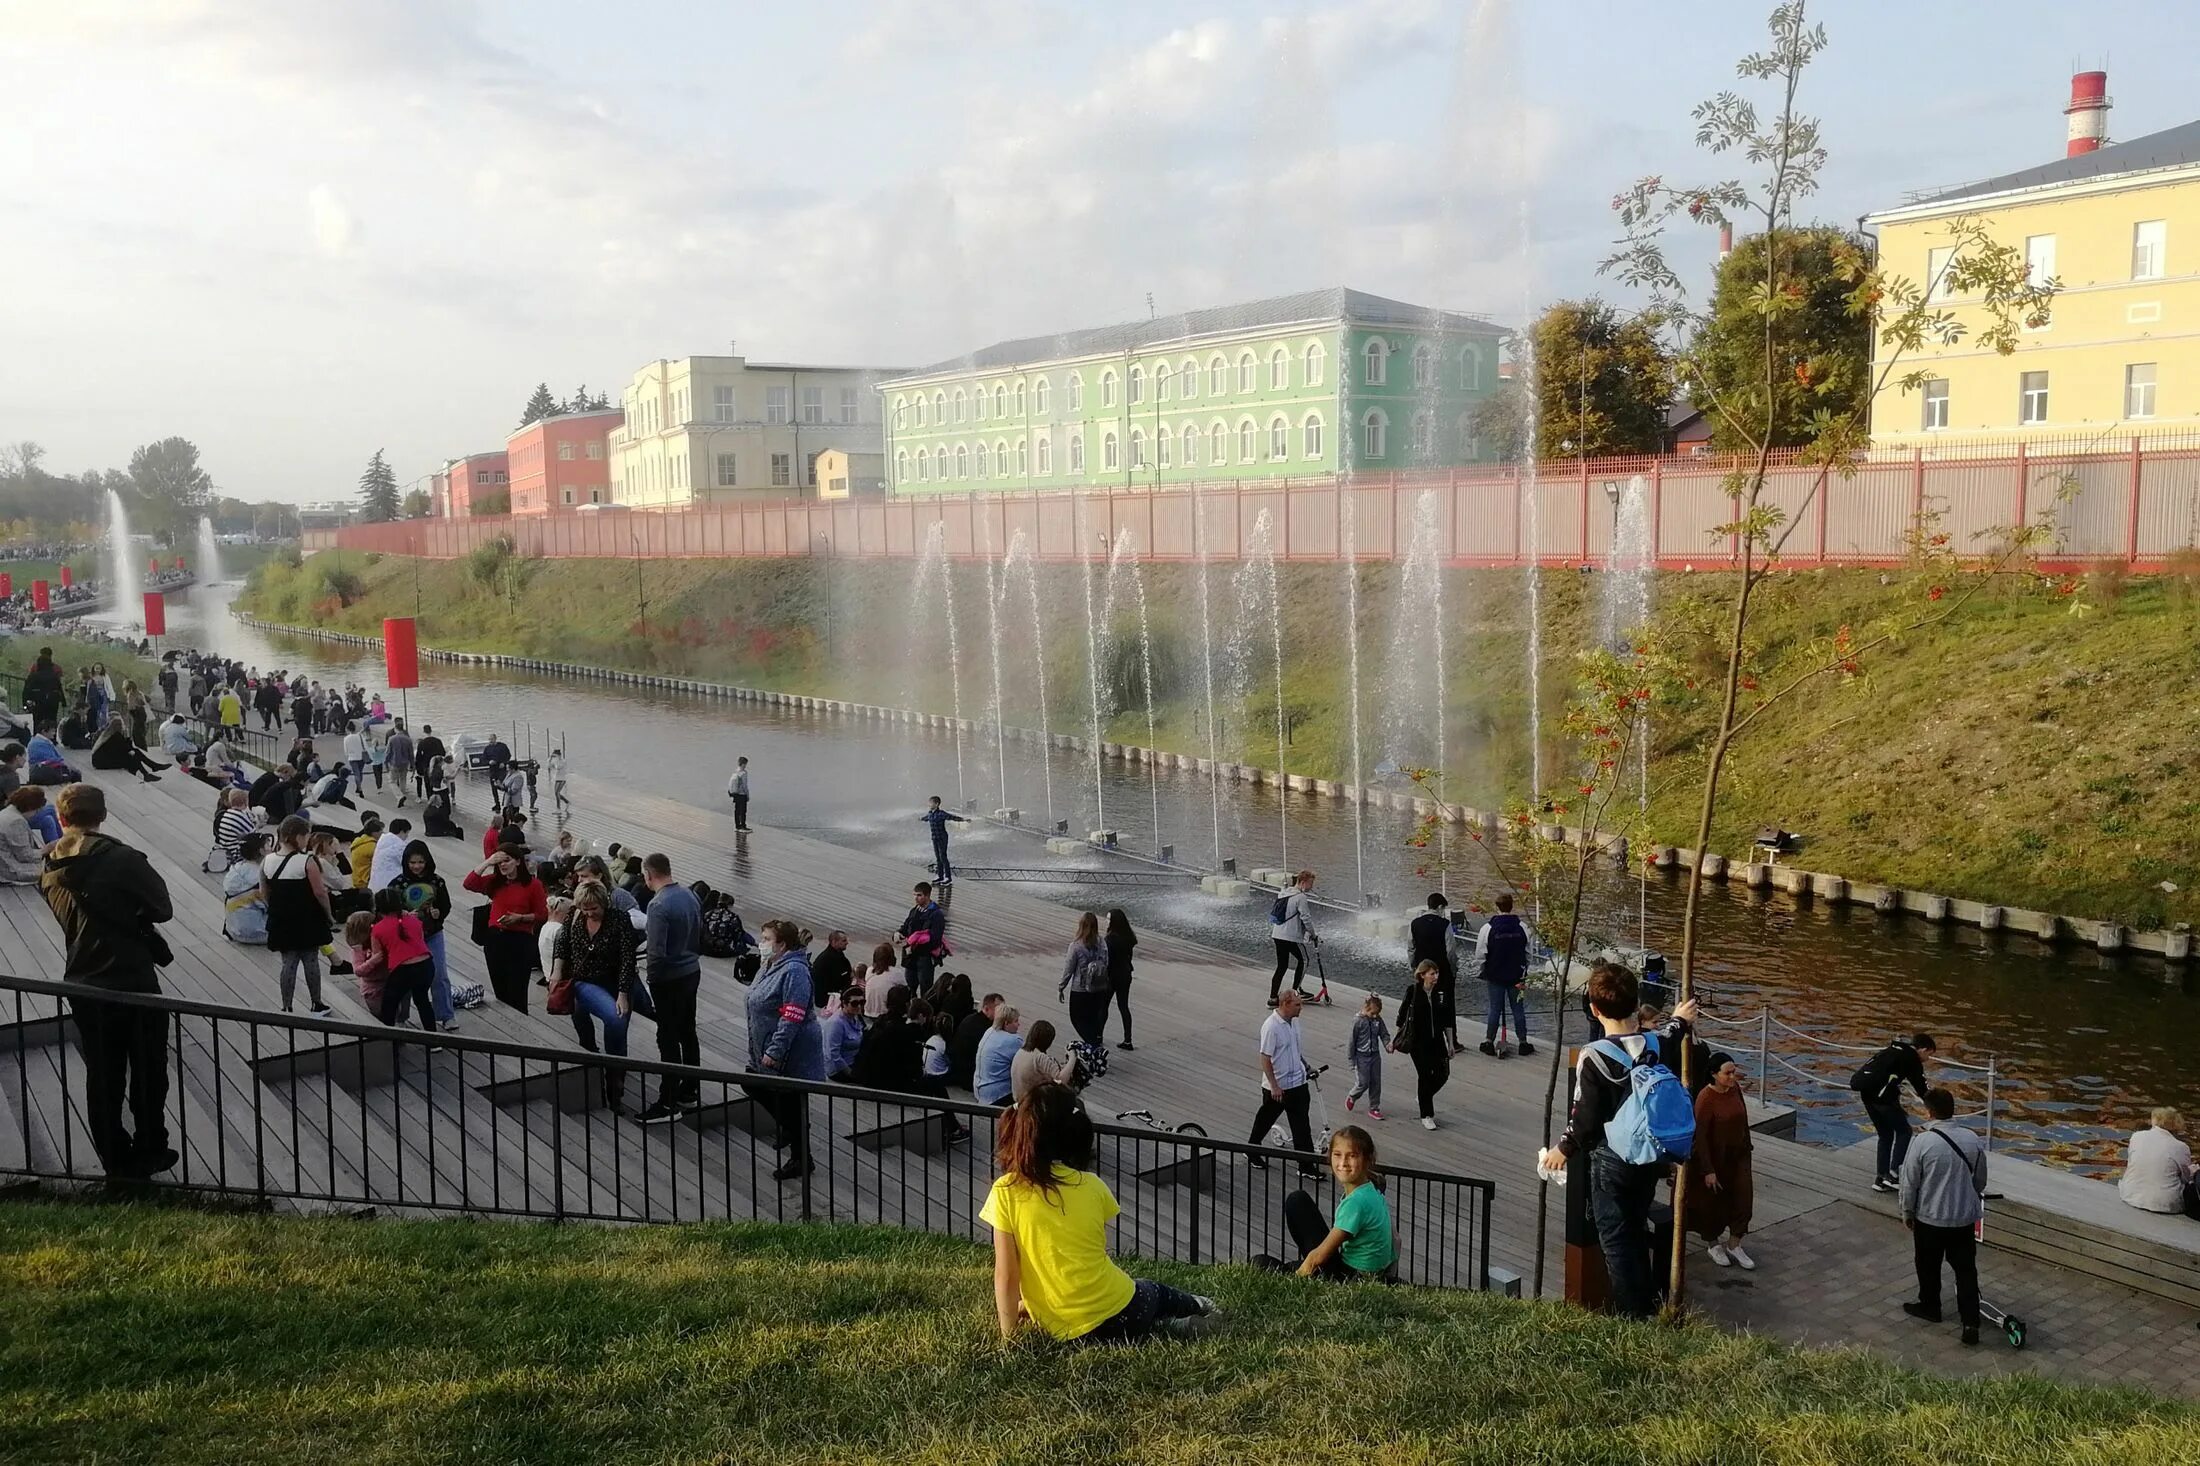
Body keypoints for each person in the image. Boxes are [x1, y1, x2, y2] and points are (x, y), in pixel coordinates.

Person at [981, 1083, 1219, 1343]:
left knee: (1134, 1311)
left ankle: (1174, 1325)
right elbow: (1083, 1260)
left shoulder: (1005, 1191)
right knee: (1152, 1291)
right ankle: (1198, 1306)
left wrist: (1009, 1335)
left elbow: (1007, 1274)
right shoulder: (1093, 1186)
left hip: (1059, 1328)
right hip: (1123, 1312)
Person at [1538, 961, 1699, 1321]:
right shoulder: (1655, 1042)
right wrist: (1682, 1018)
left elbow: (1586, 1120)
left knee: (1616, 1242)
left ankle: (1632, 1317)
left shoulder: (1594, 1056)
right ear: (1635, 1002)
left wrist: (1561, 1151)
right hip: (1650, 1155)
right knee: (1637, 1227)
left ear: (1595, 1010)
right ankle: (1650, 1305)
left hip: (1611, 1160)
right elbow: (1675, 1031)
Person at [38, 782, 177, 1178]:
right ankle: (151, 1145)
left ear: (62, 818)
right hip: (132, 979)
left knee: (103, 1073)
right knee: (148, 1068)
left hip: (81, 980)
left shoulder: (48, 864)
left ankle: (115, 1156)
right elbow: (162, 908)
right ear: (102, 815)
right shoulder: (122, 859)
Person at [553, 883, 653, 1112]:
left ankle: (614, 1085)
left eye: (594, 908)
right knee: (614, 1018)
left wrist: (623, 994)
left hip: (614, 980)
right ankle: (604, 1067)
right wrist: (557, 971)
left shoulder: (619, 920)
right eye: (584, 908)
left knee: (619, 1033)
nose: (589, 913)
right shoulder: (576, 915)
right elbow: (562, 942)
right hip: (584, 980)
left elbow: (628, 960)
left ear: (604, 903)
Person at [1900, 1087, 1988, 1345]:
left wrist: (1907, 1211)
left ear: (1929, 1112)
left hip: (1930, 1217)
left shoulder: (1922, 1142)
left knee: (1927, 1264)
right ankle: (1971, 1320)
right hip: (1963, 1217)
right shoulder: (1972, 1139)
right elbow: (1980, 1181)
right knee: (1966, 1270)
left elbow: (1910, 1182)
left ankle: (1930, 1306)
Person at [747, 918, 825, 1181]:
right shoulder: (770, 964)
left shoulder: (795, 971)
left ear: (782, 944)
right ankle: (798, 1147)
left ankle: (799, 1152)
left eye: (767, 939)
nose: (762, 943)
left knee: (789, 1101)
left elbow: (793, 1014)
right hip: (764, 1044)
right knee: (768, 1090)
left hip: (791, 1050)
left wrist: (775, 1051)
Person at [1268, 1127, 1395, 1282]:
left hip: (1351, 1277)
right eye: (1337, 1155)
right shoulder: (1372, 1191)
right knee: (1298, 1201)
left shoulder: (1356, 1203)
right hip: (1368, 1272)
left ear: (1367, 1159)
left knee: (1262, 1262)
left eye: (1352, 1156)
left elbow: (1319, 1256)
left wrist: (1295, 1281)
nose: (1343, 1163)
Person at [637, 852, 704, 1122]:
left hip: (669, 979)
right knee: (688, 1032)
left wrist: (651, 979)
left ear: (648, 874)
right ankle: (690, 1090)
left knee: (667, 1037)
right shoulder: (690, 895)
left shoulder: (658, 905)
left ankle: (668, 1102)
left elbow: (656, 952)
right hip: (692, 971)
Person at [1688, 1053, 1757, 1270]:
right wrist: (1708, 1169)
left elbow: (1743, 1118)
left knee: (1744, 1200)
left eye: (1733, 1072)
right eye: (1727, 1073)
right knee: (1713, 1204)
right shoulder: (1705, 1098)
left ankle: (1735, 1243)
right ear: (1714, 1074)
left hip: (1738, 1156)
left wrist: (1747, 1145)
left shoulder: (1735, 1090)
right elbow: (1700, 1136)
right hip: (1716, 1159)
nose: (1732, 1076)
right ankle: (1712, 1243)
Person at [260, 816, 335, 1016]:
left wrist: (274, 908)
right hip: (307, 918)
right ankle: (316, 1004)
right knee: (311, 960)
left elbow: (264, 891)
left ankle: (286, 1007)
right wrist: (329, 915)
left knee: (288, 963)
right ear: (299, 836)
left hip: (281, 919)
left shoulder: (268, 860)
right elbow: (320, 892)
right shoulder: (307, 861)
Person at [1245, 989, 1319, 1175]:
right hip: (1278, 1087)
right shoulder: (1271, 1027)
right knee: (1265, 1120)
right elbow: (1265, 1057)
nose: (1301, 1008)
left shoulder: (1294, 1023)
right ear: (1285, 1004)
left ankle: (1306, 1166)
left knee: (1302, 1126)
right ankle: (1252, 1149)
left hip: (1298, 1083)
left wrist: (1307, 1067)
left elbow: (1295, 1050)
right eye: (1297, 1004)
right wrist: (1274, 1086)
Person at [463, 847, 547, 1011]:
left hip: (520, 941)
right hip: (495, 940)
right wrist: (488, 862)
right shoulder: (495, 882)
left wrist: (520, 918)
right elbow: (469, 883)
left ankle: (519, 1028)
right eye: (499, 861)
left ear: (518, 861)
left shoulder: (533, 885)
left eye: (507, 860)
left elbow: (542, 914)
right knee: (500, 991)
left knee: (518, 992)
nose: (503, 865)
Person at [1853, 1033, 1937, 1194]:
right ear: (1923, 1049)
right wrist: (1934, 1108)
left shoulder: (1892, 1049)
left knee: (1885, 1135)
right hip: (1884, 1099)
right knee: (1905, 1131)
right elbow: (1921, 1086)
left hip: (1868, 1096)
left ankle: (1881, 1178)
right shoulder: (1911, 1059)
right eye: (1929, 1055)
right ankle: (1894, 1174)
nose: (1928, 1059)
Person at [389, 841, 457, 1031]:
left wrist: (439, 914)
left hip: (433, 934)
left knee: (440, 975)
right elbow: (388, 911)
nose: (417, 866)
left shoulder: (437, 881)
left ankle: (445, 1014)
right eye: (412, 862)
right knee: (405, 979)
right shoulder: (397, 884)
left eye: (420, 862)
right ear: (406, 863)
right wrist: (403, 915)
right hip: (407, 938)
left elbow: (446, 906)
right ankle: (401, 1017)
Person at [1473, 893, 1533, 1058]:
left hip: (1495, 976)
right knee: (1518, 1009)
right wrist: (1524, 971)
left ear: (1497, 907)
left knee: (1495, 1009)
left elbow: (1480, 954)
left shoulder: (1487, 929)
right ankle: (1523, 1043)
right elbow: (1528, 953)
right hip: (1516, 976)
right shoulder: (1523, 927)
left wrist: (1483, 971)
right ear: (1511, 906)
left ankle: (1488, 1041)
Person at [369, 888, 437, 1031]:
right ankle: (435, 1041)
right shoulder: (413, 920)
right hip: (426, 965)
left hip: (403, 970)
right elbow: (420, 941)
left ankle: (388, 1040)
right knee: (422, 1000)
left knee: (389, 1005)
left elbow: (378, 955)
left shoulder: (378, 929)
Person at [1393, 960, 1449, 1130]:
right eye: (1432, 973)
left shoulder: (1440, 992)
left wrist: (1451, 1042)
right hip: (1418, 1041)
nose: (1436, 977)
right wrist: (1395, 1039)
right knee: (1424, 1075)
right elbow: (1402, 1016)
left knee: (1443, 1073)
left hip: (1437, 1040)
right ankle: (1426, 1115)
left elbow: (1447, 1018)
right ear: (1422, 974)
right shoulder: (1413, 991)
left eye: (1437, 973)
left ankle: (1424, 1095)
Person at [2117, 1108, 2199, 1219]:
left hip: (2130, 1194)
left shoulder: (2137, 1136)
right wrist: (2194, 1172)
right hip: (2165, 1204)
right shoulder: (2181, 1147)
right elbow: (2186, 1178)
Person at [1408, 892, 1458, 1052]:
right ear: (1440, 907)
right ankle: (1452, 1042)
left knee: (1422, 1003)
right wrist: (1453, 969)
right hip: (1441, 971)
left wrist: (1414, 968)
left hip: (1422, 972)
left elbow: (1411, 948)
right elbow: (1450, 950)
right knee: (1447, 1005)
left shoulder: (1415, 923)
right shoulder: (1445, 924)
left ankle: (1421, 1036)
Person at [1058, 910, 1111, 1048]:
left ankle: (1093, 1045)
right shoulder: (1102, 942)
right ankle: (1094, 1042)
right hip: (1099, 987)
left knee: (1076, 1018)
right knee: (1093, 1018)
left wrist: (1061, 986)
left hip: (1080, 989)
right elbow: (1106, 962)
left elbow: (1068, 969)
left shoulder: (1076, 946)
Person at [1267, 868, 1317, 1006]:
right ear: (1303, 882)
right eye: (1310, 884)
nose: (1311, 887)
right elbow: (1306, 918)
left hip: (1277, 934)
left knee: (1281, 966)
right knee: (1304, 960)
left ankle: (1272, 998)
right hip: (1291, 936)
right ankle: (1295, 993)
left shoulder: (1283, 893)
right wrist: (1313, 934)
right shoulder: (1300, 897)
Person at [1010, 1018, 1081, 1103]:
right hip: (1032, 1104)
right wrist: (1072, 1058)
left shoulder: (1021, 1051)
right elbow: (1061, 1080)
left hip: (1018, 1099)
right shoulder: (1040, 1057)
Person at [222, 831, 272, 944]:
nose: (271, 849)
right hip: (258, 932)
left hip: (234, 930)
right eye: (268, 845)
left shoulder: (236, 869)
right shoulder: (260, 877)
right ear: (261, 851)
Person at [1345, 994, 1389, 1120]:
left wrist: (1387, 1045)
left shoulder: (1377, 1020)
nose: (1375, 1016)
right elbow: (1351, 1042)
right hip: (1361, 1056)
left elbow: (1384, 1034)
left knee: (1376, 1082)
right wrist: (1351, 1061)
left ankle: (1374, 1107)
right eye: (1372, 1013)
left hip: (1375, 1055)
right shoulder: (1358, 1021)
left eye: (1377, 1013)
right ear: (1366, 1008)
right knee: (1363, 1083)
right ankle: (1353, 1096)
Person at [899, 880, 946, 995]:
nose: (916, 898)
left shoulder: (936, 915)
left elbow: (935, 940)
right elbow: (906, 926)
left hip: (925, 958)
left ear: (927, 895)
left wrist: (915, 948)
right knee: (910, 985)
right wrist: (898, 933)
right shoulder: (914, 911)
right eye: (915, 895)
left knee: (926, 987)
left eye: (919, 895)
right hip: (911, 957)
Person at [950, 992, 1002, 1089]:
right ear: (987, 1009)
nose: (1002, 1013)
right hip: (969, 1075)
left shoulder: (972, 1019)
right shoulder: (984, 1028)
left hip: (960, 1069)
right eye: (998, 1009)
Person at [974, 1006, 1023, 1105]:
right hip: (997, 1095)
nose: (1019, 1024)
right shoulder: (1014, 1040)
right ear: (1006, 1023)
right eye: (1016, 1021)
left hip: (980, 1090)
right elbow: (1027, 1058)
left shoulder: (990, 1031)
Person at [0, 786, 49, 884]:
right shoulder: (16, 822)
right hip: (10, 870)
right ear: (31, 808)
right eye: (37, 810)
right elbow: (25, 856)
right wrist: (45, 850)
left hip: (5, 863)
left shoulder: (7, 811)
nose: (36, 813)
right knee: (54, 874)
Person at [1105, 909, 1138, 1050]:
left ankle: (1098, 1036)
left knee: (1103, 1006)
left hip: (1112, 976)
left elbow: (1107, 960)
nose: (1106, 921)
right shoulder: (1128, 938)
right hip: (1125, 974)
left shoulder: (1110, 939)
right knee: (1123, 1006)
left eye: (1108, 919)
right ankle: (1128, 1039)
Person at [918, 794, 964, 884]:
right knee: (938, 858)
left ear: (937, 804)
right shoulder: (930, 813)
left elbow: (952, 817)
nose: (929, 805)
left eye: (930, 803)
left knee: (943, 857)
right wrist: (920, 819)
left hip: (942, 837)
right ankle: (940, 875)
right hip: (934, 838)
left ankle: (948, 877)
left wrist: (963, 819)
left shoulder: (941, 814)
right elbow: (926, 818)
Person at [823, 988, 867, 1083]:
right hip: (840, 1069)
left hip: (855, 1060)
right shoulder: (836, 1023)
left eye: (862, 1002)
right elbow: (833, 1054)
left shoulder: (856, 1017)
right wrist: (851, 1073)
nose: (859, 1006)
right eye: (854, 1003)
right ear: (844, 1003)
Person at [212, 789, 258, 866]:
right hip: (234, 853)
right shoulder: (240, 816)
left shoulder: (226, 814)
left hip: (224, 847)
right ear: (246, 802)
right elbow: (254, 836)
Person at [22, 646, 63, 729]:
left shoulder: (34, 673)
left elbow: (27, 689)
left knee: (37, 721)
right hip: (52, 701)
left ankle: (38, 736)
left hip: (37, 701)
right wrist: (62, 700)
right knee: (51, 720)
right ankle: (51, 737)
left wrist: (25, 704)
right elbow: (59, 687)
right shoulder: (55, 672)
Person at [864, 940, 907, 1014]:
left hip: (868, 1012)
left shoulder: (869, 970)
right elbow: (905, 990)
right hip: (885, 1013)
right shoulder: (896, 972)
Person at [811, 929, 854, 1001]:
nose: (847, 943)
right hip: (828, 1000)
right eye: (844, 941)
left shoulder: (839, 956)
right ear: (834, 942)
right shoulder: (826, 959)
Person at [371, 816, 411, 891]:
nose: (407, 837)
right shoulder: (399, 846)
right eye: (407, 833)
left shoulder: (382, 841)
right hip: (390, 886)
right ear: (402, 832)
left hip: (375, 884)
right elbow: (408, 865)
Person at [349, 815, 383, 895]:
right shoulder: (372, 846)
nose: (382, 833)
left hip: (356, 879)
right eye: (380, 831)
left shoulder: (359, 841)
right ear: (374, 833)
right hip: (365, 882)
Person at [385, 721, 414, 807]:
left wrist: (386, 762)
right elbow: (411, 754)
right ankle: (402, 795)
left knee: (392, 781)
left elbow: (388, 752)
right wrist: (412, 764)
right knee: (403, 780)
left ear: (395, 729)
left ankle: (399, 796)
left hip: (394, 763)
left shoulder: (391, 739)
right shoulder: (408, 739)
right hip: (405, 763)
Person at [727, 754, 751, 831]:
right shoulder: (744, 773)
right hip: (742, 794)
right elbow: (744, 785)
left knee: (737, 810)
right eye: (745, 764)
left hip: (736, 794)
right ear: (744, 764)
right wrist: (747, 795)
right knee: (743, 811)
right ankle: (743, 826)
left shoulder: (736, 771)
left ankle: (737, 826)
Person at [545, 746, 568, 814]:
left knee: (557, 793)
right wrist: (550, 759)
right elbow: (549, 766)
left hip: (562, 778)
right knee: (556, 793)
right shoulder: (555, 761)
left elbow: (558, 767)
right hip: (557, 778)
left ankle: (558, 808)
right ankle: (566, 802)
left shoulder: (563, 761)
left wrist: (556, 760)